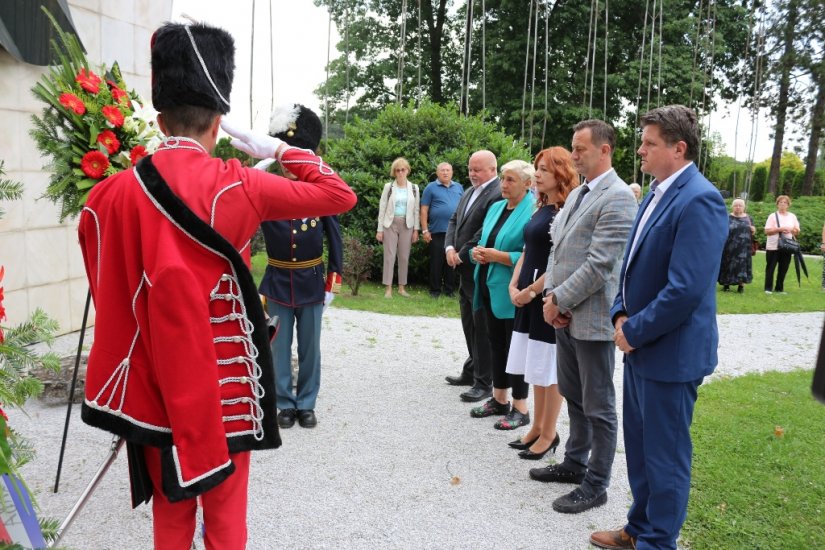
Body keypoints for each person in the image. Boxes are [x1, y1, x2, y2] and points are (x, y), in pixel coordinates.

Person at [77, 22, 356, 550]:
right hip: (225, 381)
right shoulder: (242, 182)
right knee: (227, 524)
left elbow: (107, 284)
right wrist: (280, 149)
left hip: (154, 383)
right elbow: (338, 195)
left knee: (170, 517)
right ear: (220, 121)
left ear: (160, 119)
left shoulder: (107, 196)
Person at [590, 105, 728, 550]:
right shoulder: (653, 193)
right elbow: (629, 267)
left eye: (649, 143)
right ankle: (638, 527)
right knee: (643, 449)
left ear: (678, 148)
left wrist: (636, 329)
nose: (641, 150)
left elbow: (686, 288)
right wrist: (619, 313)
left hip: (671, 351)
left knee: (666, 456)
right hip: (642, 345)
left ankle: (657, 541)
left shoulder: (700, 199)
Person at [534, 119, 637, 515]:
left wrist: (558, 299)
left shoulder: (618, 197)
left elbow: (600, 265)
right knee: (574, 396)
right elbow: (562, 252)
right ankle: (574, 463)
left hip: (590, 317)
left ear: (605, 150)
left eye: (580, 149)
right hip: (564, 314)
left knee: (599, 406)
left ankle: (597, 483)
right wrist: (554, 300)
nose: (574, 155)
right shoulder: (581, 193)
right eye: (573, 149)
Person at [258, 104, 343, 430]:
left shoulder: (322, 191)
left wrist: (332, 283)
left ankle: (306, 402)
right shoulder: (265, 189)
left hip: (310, 281)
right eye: (285, 159)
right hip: (278, 280)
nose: (290, 167)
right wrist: (262, 164)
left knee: (310, 349)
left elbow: (334, 238)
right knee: (280, 349)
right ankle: (284, 403)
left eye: (297, 159)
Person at [505, 147, 578, 459]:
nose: (537, 174)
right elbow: (526, 251)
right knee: (535, 366)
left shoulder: (564, 211)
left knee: (549, 368)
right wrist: (513, 283)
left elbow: (559, 262)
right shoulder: (540, 207)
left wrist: (532, 291)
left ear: (561, 173)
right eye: (537, 168)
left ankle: (550, 432)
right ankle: (536, 425)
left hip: (544, 295)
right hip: (526, 293)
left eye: (545, 169)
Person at [468, 160, 535, 429]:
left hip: (513, 289)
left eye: (510, 180)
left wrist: (500, 257)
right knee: (495, 343)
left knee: (515, 348)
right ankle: (499, 399)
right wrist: (476, 252)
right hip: (487, 284)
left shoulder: (533, 210)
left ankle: (521, 406)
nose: (503, 184)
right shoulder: (496, 207)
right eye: (503, 179)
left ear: (528, 184)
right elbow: (484, 241)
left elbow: (533, 254)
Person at [444, 150, 502, 401]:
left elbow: (483, 232)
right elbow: (454, 220)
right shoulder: (468, 191)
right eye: (470, 169)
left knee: (481, 327)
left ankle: (483, 381)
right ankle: (472, 369)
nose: (472, 174)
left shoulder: (497, 193)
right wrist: (448, 247)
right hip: (462, 269)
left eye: (477, 169)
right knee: (468, 322)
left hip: (478, 268)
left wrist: (461, 254)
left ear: (492, 169)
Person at [376, 157, 420, 298]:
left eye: (403, 169)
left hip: (407, 224)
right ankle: (388, 289)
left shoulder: (414, 188)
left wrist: (416, 230)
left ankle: (401, 288)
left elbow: (416, 210)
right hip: (390, 223)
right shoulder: (388, 187)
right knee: (389, 256)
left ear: (407, 170)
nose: (401, 172)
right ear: (394, 172)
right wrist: (379, 229)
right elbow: (382, 208)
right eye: (398, 170)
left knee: (404, 256)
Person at [420, 162, 464, 298]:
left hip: (454, 232)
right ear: (437, 173)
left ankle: (449, 290)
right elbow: (424, 210)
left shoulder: (459, 187)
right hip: (437, 231)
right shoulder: (430, 188)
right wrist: (425, 230)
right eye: (442, 170)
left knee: (451, 261)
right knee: (436, 262)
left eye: (448, 170)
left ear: (452, 172)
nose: (445, 173)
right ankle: (435, 291)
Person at [764, 195, 800, 294]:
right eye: (781, 202)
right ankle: (768, 288)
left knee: (783, 268)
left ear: (788, 205)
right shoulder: (772, 216)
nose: (783, 204)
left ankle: (779, 288)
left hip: (787, 246)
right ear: (777, 204)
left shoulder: (792, 216)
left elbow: (797, 231)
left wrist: (791, 230)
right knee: (770, 267)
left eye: (785, 203)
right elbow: (767, 231)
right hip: (773, 246)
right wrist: (779, 229)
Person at [718, 198, 756, 293]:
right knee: (728, 264)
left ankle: (741, 286)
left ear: (744, 207)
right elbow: (721, 230)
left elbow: (753, 231)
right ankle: (726, 284)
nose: (738, 207)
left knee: (742, 266)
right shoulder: (727, 217)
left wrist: (753, 229)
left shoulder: (748, 218)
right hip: (729, 246)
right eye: (736, 205)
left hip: (744, 247)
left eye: (740, 205)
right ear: (732, 207)